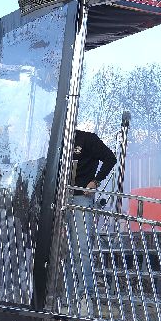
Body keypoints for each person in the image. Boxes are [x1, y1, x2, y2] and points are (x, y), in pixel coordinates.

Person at [67, 130, 117, 311]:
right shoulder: (58, 143)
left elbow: (110, 158)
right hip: (60, 198)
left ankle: (85, 296)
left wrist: (95, 181)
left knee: (81, 248)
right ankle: (67, 297)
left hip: (81, 198)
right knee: (64, 250)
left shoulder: (86, 138)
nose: (50, 128)